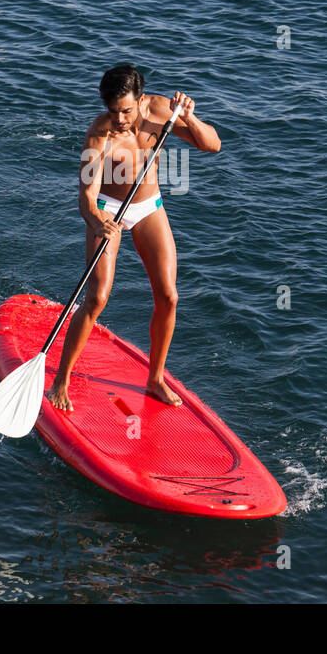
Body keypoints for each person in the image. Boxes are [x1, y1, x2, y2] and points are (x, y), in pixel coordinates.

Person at [45, 64, 221, 412]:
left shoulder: (161, 111)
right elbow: (86, 195)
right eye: (113, 111)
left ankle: (155, 378)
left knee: (169, 296)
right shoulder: (99, 134)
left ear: (141, 101)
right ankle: (60, 380)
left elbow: (212, 145)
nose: (120, 119)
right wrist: (97, 221)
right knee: (97, 298)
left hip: (148, 207)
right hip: (108, 208)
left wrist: (190, 116)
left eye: (126, 110)